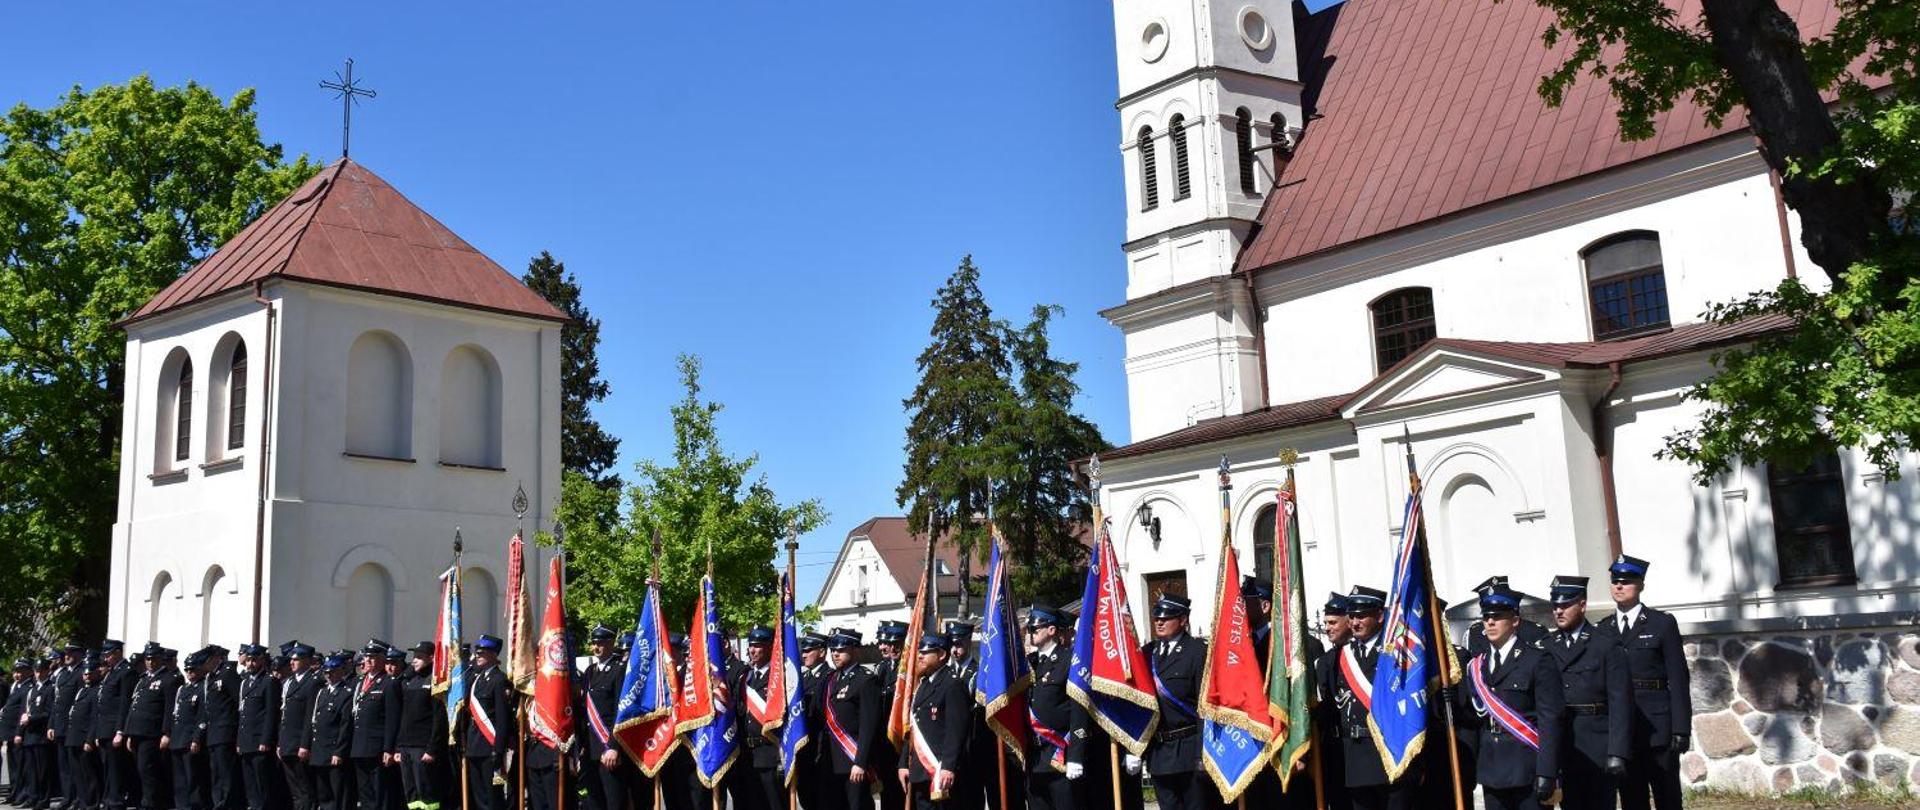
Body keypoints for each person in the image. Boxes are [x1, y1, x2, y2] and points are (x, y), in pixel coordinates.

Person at [1595, 555, 1690, 810]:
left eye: (1626, 581)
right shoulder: (1603, 629)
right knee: (1632, 799)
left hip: (1658, 726)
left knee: (1667, 797)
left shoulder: (1662, 624)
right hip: (1623, 732)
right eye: (1615, 581)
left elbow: (1678, 679)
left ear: (1641, 585)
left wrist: (1681, 728)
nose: (1619, 586)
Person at [1458, 586, 1563, 810]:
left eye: (1497, 616)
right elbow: (1475, 719)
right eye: (1486, 617)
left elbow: (1550, 720)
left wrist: (1548, 771)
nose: (1490, 622)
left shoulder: (1537, 660)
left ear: (1515, 620)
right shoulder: (1477, 665)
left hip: (1527, 767)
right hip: (1492, 768)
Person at [1319, 586, 1419, 810]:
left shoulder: (1396, 653)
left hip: (1391, 755)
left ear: (1380, 616)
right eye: (1352, 616)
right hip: (1355, 759)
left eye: (1362, 616)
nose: (1355, 622)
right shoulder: (1340, 657)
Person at [1540, 575, 1631, 810]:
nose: (1558, 611)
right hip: (1563, 744)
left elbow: (1620, 702)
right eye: (1555, 605)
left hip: (1597, 744)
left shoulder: (1605, 644)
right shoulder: (1546, 646)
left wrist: (1617, 751)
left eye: (1565, 605)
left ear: (1582, 605)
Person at [1022, 604, 1084, 810]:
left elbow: (1079, 710)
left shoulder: (1068, 660)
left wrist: (1076, 756)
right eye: (1029, 629)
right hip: (1035, 757)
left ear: (1051, 630)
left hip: (1061, 754)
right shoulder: (1028, 663)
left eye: (1034, 629)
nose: (1030, 633)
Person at [895, 632, 964, 810]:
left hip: (940, 771)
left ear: (941, 654)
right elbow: (913, 729)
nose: (920, 656)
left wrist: (948, 766)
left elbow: (956, 731)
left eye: (926, 652)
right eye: (920, 652)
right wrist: (903, 763)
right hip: (920, 770)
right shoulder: (923, 684)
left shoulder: (952, 684)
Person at [819, 629, 879, 810]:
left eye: (841, 650)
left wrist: (860, 762)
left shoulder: (866, 680)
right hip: (830, 761)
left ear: (855, 650)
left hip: (852, 760)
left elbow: (868, 726)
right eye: (833, 650)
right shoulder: (830, 679)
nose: (835, 654)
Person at [577, 626, 633, 810]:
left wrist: (614, 747)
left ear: (611, 643)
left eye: (600, 643)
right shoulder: (589, 672)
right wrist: (580, 746)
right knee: (594, 801)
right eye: (594, 643)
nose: (596, 647)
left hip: (608, 749)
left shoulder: (619, 670)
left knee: (614, 802)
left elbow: (620, 711)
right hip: (590, 749)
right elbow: (583, 711)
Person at [727, 625, 780, 810]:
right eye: (751, 645)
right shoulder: (745, 677)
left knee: (773, 804)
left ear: (769, 647)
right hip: (746, 755)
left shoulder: (778, 677)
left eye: (758, 645)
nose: (752, 650)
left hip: (769, 754)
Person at [461, 636, 514, 810]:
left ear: (493, 655)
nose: (477, 656)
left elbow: (502, 718)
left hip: (489, 747)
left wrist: (498, 750)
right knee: (479, 797)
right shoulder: (476, 680)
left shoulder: (499, 680)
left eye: (482, 653)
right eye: (477, 653)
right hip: (474, 746)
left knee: (492, 798)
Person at [124, 644, 179, 810]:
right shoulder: (143, 679)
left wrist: (167, 733)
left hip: (152, 733)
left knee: (147, 769)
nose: (149, 662)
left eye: (153, 658)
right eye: (147, 659)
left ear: (160, 659)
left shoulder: (168, 679)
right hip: (137, 732)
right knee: (141, 770)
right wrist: (129, 732)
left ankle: (151, 803)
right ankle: (147, 800)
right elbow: (134, 707)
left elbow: (170, 709)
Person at [395, 642, 449, 810]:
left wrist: (432, 748)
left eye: (419, 657)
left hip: (423, 747)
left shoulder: (435, 682)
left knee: (427, 791)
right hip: (406, 746)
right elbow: (404, 717)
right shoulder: (410, 681)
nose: (414, 661)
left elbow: (439, 719)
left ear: (431, 658)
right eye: (414, 657)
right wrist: (399, 747)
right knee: (411, 793)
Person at [349, 640, 401, 810]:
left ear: (382, 659)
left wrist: (388, 748)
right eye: (366, 656)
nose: (368, 660)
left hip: (377, 748)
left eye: (372, 657)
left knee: (380, 794)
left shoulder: (389, 683)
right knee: (365, 794)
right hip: (359, 746)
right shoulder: (361, 682)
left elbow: (392, 719)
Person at [304, 652, 354, 810]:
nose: (328, 676)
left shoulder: (346, 693)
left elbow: (345, 726)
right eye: (326, 672)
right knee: (324, 793)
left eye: (332, 672)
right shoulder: (322, 692)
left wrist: (339, 752)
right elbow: (315, 721)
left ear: (340, 671)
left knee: (338, 794)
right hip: (320, 751)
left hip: (334, 751)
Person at [233, 645, 280, 810]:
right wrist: (239, 741)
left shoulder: (269, 681)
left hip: (260, 741)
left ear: (261, 660)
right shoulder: (245, 683)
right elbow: (243, 714)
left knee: (262, 782)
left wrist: (265, 740)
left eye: (253, 660)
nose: (250, 664)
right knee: (250, 782)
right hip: (246, 740)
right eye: (248, 660)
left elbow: (270, 713)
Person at [278, 644, 321, 810]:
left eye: (296, 659)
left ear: (307, 661)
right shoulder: (289, 682)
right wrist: (280, 743)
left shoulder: (312, 682)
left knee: (305, 789)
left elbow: (310, 717)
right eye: (291, 659)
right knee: (295, 789)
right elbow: (284, 716)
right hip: (287, 743)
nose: (292, 662)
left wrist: (305, 744)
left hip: (300, 744)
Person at [872, 621, 909, 810]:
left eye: (897, 644)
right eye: (889, 644)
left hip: (903, 739)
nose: (892, 648)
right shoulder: (882, 668)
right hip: (885, 741)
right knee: (887, 793)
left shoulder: (910, 670)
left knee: (904, 795)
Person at [199, 645, 240, 810]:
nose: (204, 666)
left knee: (226, 772)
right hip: (214, 732)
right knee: (216, 772)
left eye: (206, 662)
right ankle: (219, 803)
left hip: (226, 730)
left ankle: (228, 804)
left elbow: (238, 701)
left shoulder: (227, 674)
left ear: (215, 659)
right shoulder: (211, 677)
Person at [170, 649, 210, 810]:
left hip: (190, 738)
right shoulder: (183, 689)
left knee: (193, 776)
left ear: (200, 669)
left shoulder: (203, 688)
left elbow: (202, 715)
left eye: (192, 669)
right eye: (187, 669)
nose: (189, 673)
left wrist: (197, 738)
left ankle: (195, 805)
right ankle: (182, 805)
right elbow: (176, 714)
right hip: (178, 737)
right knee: (180, 778)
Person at [796, 632, 829, 810]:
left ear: (822, 652)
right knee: (806, 797)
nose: (804, 655)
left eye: (809, 651)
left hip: (821, 749)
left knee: (822, 800)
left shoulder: (829, 677)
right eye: (803, 651)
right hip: (804, 749)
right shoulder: (803, 678)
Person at [65, 656, 102, 810]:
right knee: (77, 773)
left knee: (89, 773)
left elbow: (94, 717)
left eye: (89, 673)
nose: (87, 676)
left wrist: (89, 739)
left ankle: (91, 803)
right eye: (85, 674)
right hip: (73, 736)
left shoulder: (96, 691)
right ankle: (82, 800)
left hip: (84, 737)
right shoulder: (82, 690)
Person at [19, 655, 55, 810]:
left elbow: (49, 712)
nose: (38, 674)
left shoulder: (50, 688)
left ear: (47, 671)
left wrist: (32, 718)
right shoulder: (32, 689)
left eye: (41, 671)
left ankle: (43, 798)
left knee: (42, 770)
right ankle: (33, 796)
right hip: (30, 734)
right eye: (36, 671)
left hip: (41, 734)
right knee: (31, 769)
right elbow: (26, 710)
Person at [53, 645, 83, 810]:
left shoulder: (81, 673)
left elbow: (79, 702)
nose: (67, 656)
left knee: (75, 766)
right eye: (66, 653)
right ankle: (67, 797)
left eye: (71, 653)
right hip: (60, 725)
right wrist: (52, 725)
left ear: (78, 654)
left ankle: (78, 797)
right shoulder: (63, 674)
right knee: (64, 766)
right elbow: (57, 702)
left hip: (72, 726)